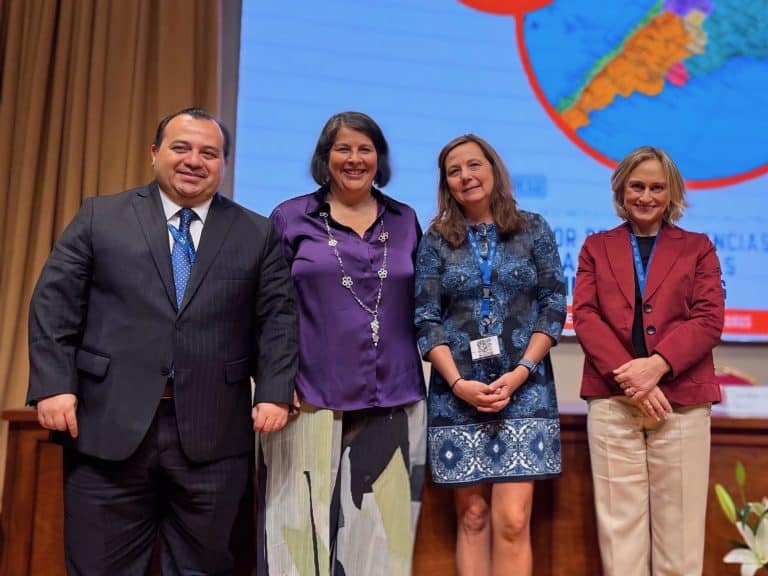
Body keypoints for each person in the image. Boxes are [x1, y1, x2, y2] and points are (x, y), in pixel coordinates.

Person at [27, 107, 298, 575]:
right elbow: (54, 304)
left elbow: (278, 318)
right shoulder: (100, 216)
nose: (194, 160)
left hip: (213, 436)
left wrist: (274, 389)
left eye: (208, 153)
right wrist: (53, 383)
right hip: (106, 426)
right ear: (154, 154)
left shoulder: (258, 233)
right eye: (181, 147)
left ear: (224, 164)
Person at [258, 111, 426, 576]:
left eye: (365, 149)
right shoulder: (290, 218)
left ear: (380, 158)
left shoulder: (406, 220)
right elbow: (269, 307)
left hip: (394, 397)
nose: (355, 159)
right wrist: (275, 380)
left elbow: (427, 301)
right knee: (296, 536)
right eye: (343, 149)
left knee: (382, 547)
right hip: (307, 397)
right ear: (325, 158)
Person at [414, 134, 566, 575]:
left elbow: (553, 304)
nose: (466, 176)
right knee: (473, 516)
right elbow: (425, 317)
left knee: (514, 521)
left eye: (474, 165)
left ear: (493, 169)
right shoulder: (436, 240)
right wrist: (459, 384)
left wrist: (520, 372)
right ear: (446, 183)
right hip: (458, 393)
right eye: (454, 170)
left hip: (525, 389)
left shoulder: (533, 228)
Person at [572, 145, 725, 576]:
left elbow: (710, 319)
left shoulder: (698, 248)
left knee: (680, 543)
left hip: (681, 402)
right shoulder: (595, 248)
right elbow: (585, 316)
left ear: (671, 192)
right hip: (613, 402)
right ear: (621, 191)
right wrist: (632, 381)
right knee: (620, 545)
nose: (646, 196)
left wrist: (656, 366)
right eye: (637, 186)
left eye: (657, 187)